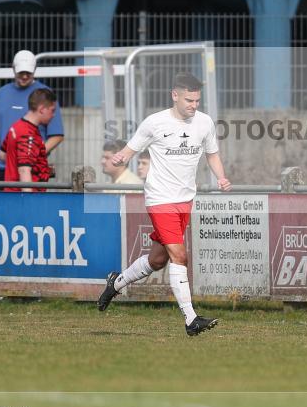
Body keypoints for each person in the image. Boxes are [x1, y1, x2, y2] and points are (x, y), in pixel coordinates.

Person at [96, 72, 232, 336]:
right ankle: (191, 320)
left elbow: (212, 154)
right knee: (180, 255)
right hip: (160, 199)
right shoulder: (155, 123)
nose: (194, 105)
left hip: (184, 199)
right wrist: (120, 157)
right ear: (175, 95)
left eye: (197, 100)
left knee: (158, 260)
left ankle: (116, 283)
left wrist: (222, 177)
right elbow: (130, 149)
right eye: (189, 100)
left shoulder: (204, 123)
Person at [0, 50, 64, 186]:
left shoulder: (45, 95)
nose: (24, 76)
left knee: (29, 205)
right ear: (13, 69)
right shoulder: (1, 93)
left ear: (35, 70)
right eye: (20, 72)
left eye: (28, 73)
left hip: (30, 169)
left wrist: (34, 156)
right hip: (1, 167)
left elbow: (57, 135)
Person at [0, 88, 58, 193]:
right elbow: (24, 170)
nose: (53, 115)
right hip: (23, 198)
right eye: (52, 110)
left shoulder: (16, 126)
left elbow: (2, 155)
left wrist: (41, 168)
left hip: (12, 194)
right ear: (42, 109)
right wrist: (29, 203)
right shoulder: (29, 135)